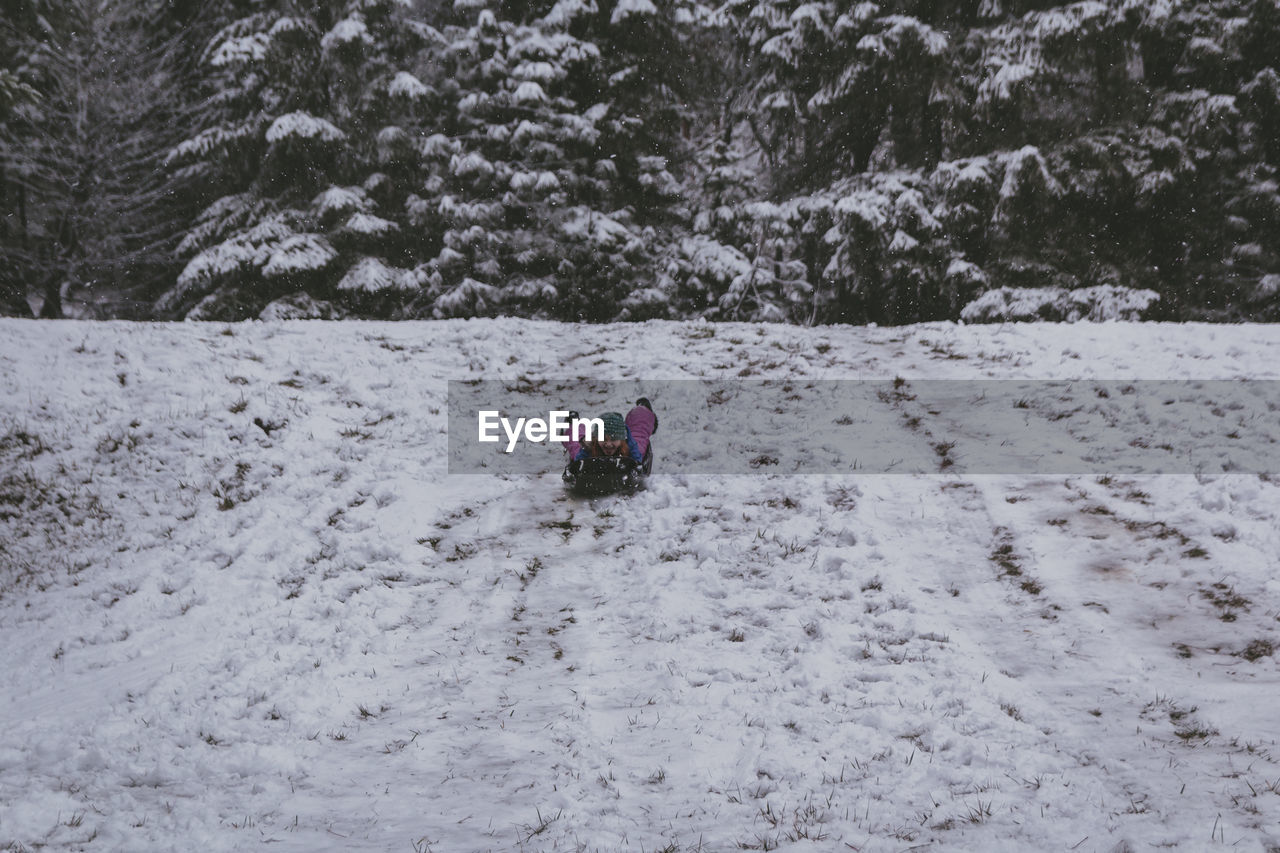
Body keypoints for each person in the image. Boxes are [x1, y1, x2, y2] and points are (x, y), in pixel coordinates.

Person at [565, 399, 657, 480]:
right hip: (592, 448)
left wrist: (637, 467)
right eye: (603, 439)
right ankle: (574, 422)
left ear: (621, 439)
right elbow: (578, 462)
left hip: (625, 447)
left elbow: (637, 460)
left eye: (614, 439)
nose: (608, 444)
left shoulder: (628, 444)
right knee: (575, 442)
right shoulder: (590, 444)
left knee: (639, 433)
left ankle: (643, 408)